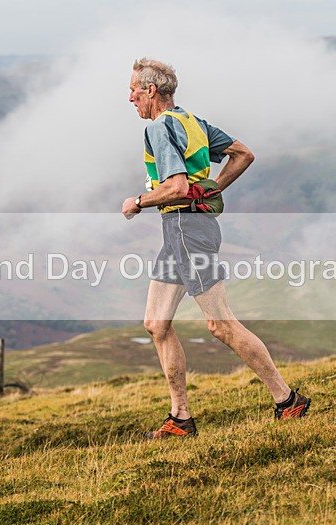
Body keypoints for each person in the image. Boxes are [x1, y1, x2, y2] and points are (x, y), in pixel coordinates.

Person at [122, 58, 311, 439]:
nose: (130, 99)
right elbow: (243, 154)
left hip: (186, 229)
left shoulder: (159, 127)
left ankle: (288, 400)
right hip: (181, 230)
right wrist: (213, 189)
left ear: (151, 91)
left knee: (221, 325)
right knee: (156, 324)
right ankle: (180, 418)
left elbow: (176, 187)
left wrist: (138, 202)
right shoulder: (192, 121)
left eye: (133, 91)